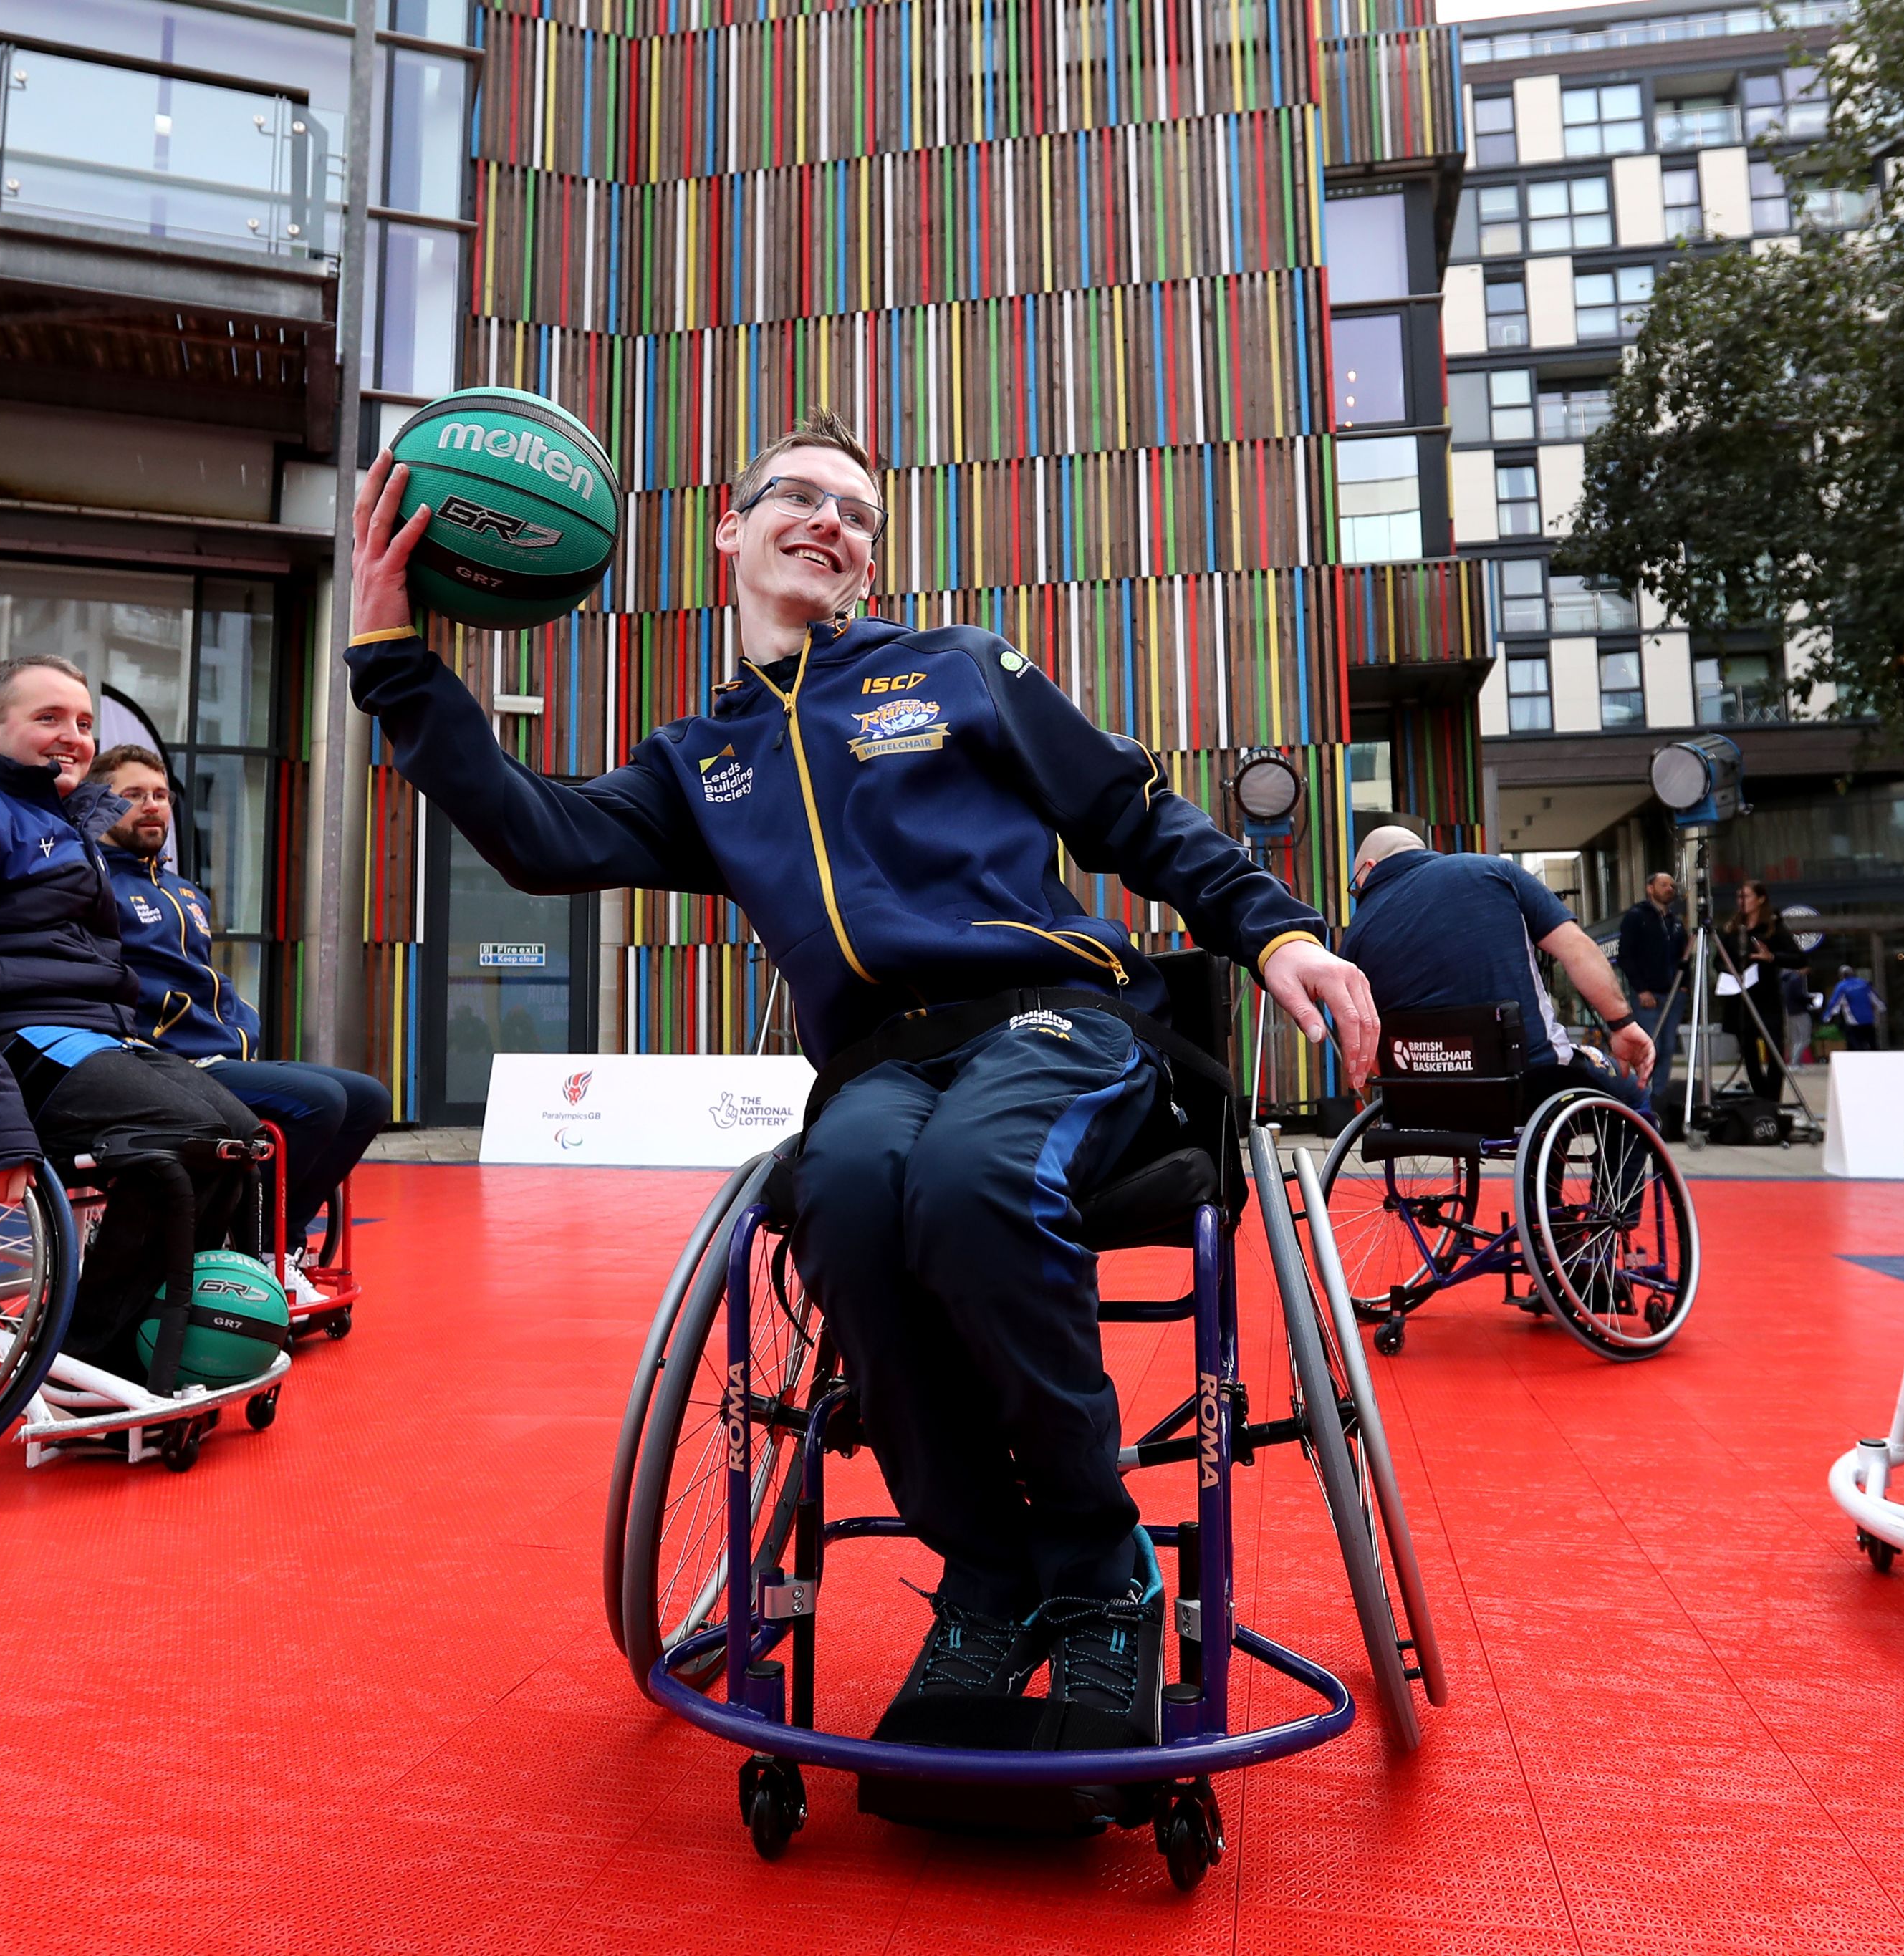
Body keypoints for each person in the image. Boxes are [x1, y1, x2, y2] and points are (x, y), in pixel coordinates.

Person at [345, 410, 1377, 1764]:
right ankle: (988, 1573)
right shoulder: (701, 759)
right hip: (882, 1064)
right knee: (836, 1193)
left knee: (971, 1180)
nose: (831, 521)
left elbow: (1130, 811)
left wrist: (1279, 931)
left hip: (1055, 1020)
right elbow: (540, 837)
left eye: (858, 514)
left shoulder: (956, 668)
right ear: (731, 526)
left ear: (869, 566)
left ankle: (1097, 1566)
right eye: (801, 496)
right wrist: (395, 663)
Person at [0, 655, 264, 1379]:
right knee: (189, 1136)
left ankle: (155, 1340)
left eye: (84, 722)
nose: (73, 736)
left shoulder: (52, 821)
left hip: (71, 1035)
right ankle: (85, 1362)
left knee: (238, 1136)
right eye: (48, 717)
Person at [88, 744, 389, 1296]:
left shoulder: (185, 892)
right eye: (133, 795)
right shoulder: (92, 883)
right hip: (160, 1063)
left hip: (218, 1055)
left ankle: (279, 1243)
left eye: (160, 795)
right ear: (99, 804)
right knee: (321, 1101)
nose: (152, 805)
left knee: (368, 1097)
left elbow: (206, 980)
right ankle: (260, 1249)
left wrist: (241, 1024)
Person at [1340, 821, 1654, 1114]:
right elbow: (1576, 948)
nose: (1359, 896)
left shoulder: (1355, 935)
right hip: (1531, 1079)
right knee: (1634, 1096)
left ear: (1371, 867)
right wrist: (1622, 1024)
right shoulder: (1493, 871)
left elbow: (1364, 1047)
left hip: (1421, 1097)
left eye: (1356, 888)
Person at [1716, 880, 1804, 1106]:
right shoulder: (1732, 929)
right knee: (1749, 1052)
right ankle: (1761, 1099)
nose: (1741, 901)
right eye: (1739, 897)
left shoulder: (1773, 928)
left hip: (1767, 998)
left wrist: (1771, 957)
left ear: (1761, 899)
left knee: (1775, 1049)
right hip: (1740, 999)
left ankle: (1772, 1100)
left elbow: (1799, 959)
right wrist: (1731, 970)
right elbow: (1718, 960)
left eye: (1746, 896)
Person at [1613, 870, 1686, 1105]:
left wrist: (1684, 986)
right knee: (1651, 1046)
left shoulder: (1676, 922)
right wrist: (1641, 989)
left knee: (1668, 1047)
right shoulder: (1637, 917)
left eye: (1672, 886)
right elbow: (1626, 956)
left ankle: (1660, 1098)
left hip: (1673, 994)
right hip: (1648, 995)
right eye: (1664, 885)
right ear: (1650, 889)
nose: (1670, 889)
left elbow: (1684, 957)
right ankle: (1640, 1095)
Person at [1823, 964, 1880, 1051]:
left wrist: (1826, 1017)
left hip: (1854, 1022)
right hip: (1869, 1020)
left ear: (1841, 976)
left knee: (1856, 1047)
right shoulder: (1864, 983)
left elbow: (1834, 1003)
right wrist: (1881, 1008)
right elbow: (1876, 999)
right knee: (1873, 1045)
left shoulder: (1842, 986)